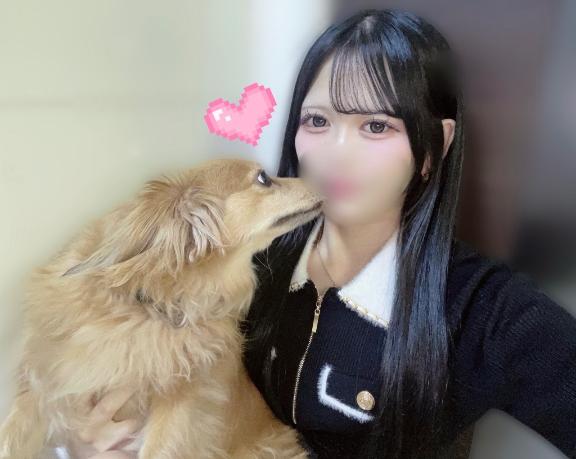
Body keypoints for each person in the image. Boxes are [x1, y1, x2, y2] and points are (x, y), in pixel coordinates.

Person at [64, 8, 576, 459]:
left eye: (376, 126)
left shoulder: (484, 310)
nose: (336, 153)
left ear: (432, 149)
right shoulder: (239, 270)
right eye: (317, 121)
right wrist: (85, 447)